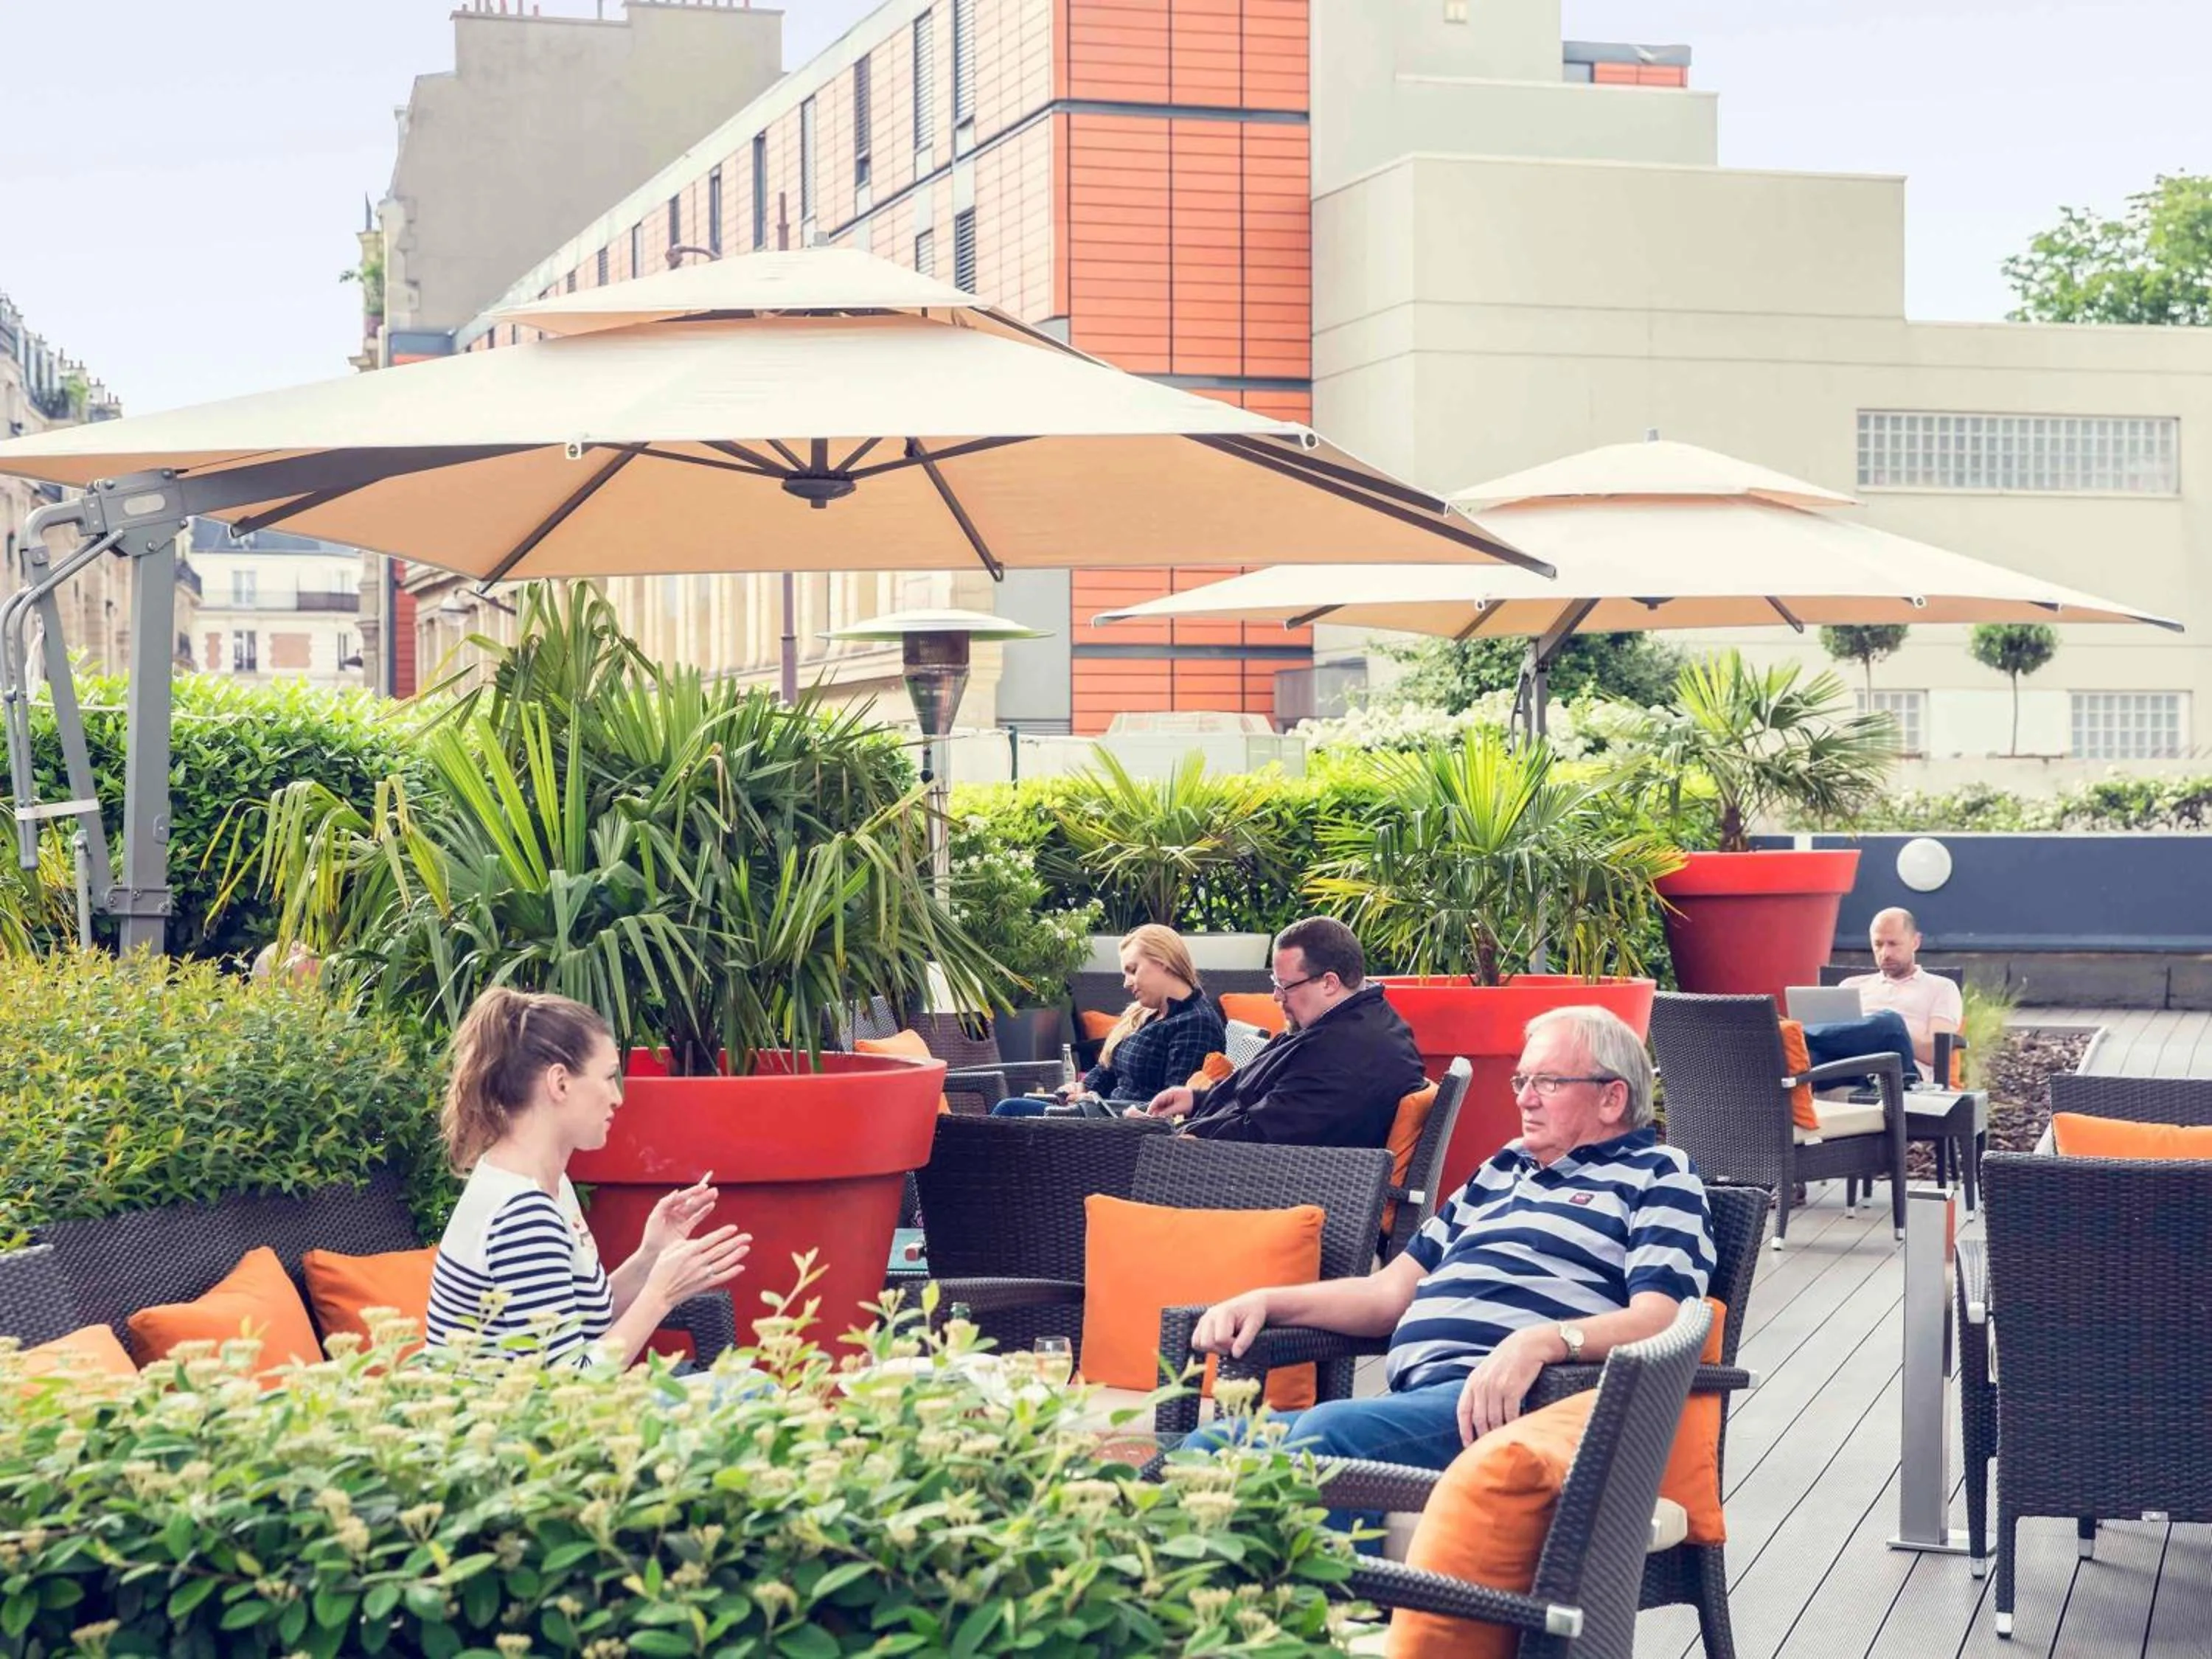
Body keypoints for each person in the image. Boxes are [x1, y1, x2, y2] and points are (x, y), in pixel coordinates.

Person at [1184, 1006, 1714, 1540]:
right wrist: (1267, 1301)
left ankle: (1332, 1619)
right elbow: (1388, 1293)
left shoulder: (1661, 1177)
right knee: (1208, 1449)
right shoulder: (1505, 1168)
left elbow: (1664, 1319)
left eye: (1547, 1082)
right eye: (1522, 1080)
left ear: (1612, 1097)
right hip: (1423, 1401)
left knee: (1327, 1434)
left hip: (1521, 1406)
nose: (1524, 1098)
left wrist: (1543, 1343)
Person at [426, 987, 754, 1368]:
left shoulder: (541, 1183)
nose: (618, 1097)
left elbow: (579, 1320)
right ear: (560, 1083)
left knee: (742, 1390)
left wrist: (651, 1256)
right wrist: (659, 1296)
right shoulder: (524, 1215)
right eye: (609, 1077)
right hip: (515, 1425)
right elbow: (569, 1390)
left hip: (540, 1415)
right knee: (749, 1394)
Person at [1142, 917, 1423, 1147]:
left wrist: (1166, 1136)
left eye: (1285, 985)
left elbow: (1259, 1135)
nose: (1277, 996)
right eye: (1275, 983)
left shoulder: (1343, 1053)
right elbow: (1258, 1094)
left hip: (1275, 1189)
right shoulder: (1354, 1020)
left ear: (1329, 983)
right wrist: (1196, 1100)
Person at [992, 925, 1225, 1116]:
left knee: (1010, 1111)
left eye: (1132, 970)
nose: (1126, 983)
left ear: (1163, 962)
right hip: (1103, 1116)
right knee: (1009, 1114)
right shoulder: (1149, 1014)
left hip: (1118, 1134)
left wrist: (1093, 1103)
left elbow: (1170, 1110)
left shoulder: (1196, 1024)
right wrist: (1085, 1086)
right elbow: (1109, 1069)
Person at [1806, 907, 1963, 1086]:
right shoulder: (1851, 986)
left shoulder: (1941, 988)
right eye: (1878, 945)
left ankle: (1798, 1033)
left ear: (1915, 942)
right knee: (1807, 1060)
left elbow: (1935, 1052)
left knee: (1890, 1022)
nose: (1885, 954)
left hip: (1904, 1073)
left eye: (1893, 944)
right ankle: (1792, 1040)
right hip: (1850, 1066)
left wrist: (1882, 1034)